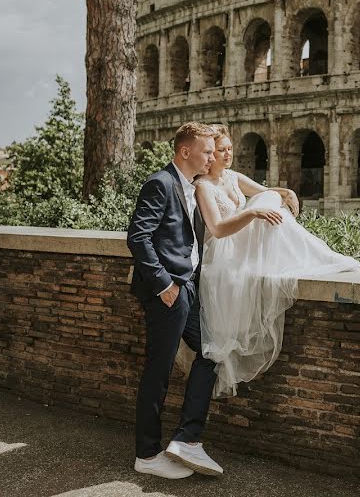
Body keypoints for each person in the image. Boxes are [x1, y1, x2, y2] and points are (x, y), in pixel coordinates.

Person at [193, 124, 359, 398]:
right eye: (220, 150)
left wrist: (286, 192)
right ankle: (307, 257)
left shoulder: (233, 177)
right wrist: (253, 213)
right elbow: (219, 229)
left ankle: (305, 257)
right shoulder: (204, 186)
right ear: (209, 155)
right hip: (222, 249)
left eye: (229, 149)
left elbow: (268, 191)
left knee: (269, 197)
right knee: (264, 204)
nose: (226, 154)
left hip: (240, 243)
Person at [126, 122, 224, 479]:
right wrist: (164, 284)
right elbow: (139, 237)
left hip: (189, 289)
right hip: (168, 292)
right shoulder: (160, 183)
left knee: (212, 351)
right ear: (186, 151)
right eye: (207, 151)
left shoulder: (193, 186)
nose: (212, 156)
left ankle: (187, 439)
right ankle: (147, 455)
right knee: (159, 371)